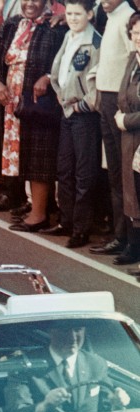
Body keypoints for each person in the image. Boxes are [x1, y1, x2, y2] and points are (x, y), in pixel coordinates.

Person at [0, 0, 67, 233]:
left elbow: (66, 59)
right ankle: (31, 207)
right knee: (20, 155)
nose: (30, 3)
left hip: (39, 103)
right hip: (11, 101)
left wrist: (48, 76)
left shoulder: (56, 27)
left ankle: (39, 214)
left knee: (39, 157)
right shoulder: (13, 24)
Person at [44, 0, 102, 249]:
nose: (73, 18)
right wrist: (58, 91)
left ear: (90, 14)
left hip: (83, 115)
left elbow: (98, 82)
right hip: (67, 111)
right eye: (69, 13)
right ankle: (66, 221)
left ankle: (81, 229)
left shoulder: (95, 42)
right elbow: (59, 71)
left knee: (84, 173)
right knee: (64, 169)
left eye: (78, 13)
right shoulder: (69, 36)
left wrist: (82, 105)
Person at [4, 325, 130, 412]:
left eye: (78, 329)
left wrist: (117, 402)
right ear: (50, 331)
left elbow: (107, 407)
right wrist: (45, 405)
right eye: (64, 330)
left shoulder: (96, 363)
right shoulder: (24, 366)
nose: (72, 338)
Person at [89, 0, 135, 258]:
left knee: (124, 174)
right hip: (106, 97)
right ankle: (121, 234)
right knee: (114, 172)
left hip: (119, 101)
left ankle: (129, 239)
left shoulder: (128, 17)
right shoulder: (112, 16)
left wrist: (121, 100)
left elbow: (133, 61)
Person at [115, 12, 140, 267]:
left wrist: (126, 120)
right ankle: (134, 246)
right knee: (131, 190)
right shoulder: (133, 59)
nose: (139, 38)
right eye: (135, 33)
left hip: (133, 129)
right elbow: (123, 94)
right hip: (130, 137)